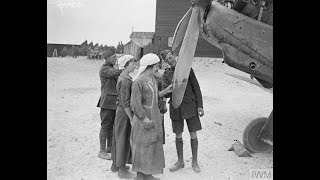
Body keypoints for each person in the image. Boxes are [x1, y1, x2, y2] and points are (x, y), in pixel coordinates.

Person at [160, 50, 204, 173]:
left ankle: (194, 161)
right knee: (178, 134)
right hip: (176, 107)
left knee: (193, 134)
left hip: (191, 105)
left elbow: (196, 87)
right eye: (167, 59)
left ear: (174, 56)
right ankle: (180, 162)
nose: (170, 60)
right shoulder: (166, 75)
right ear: (165, 62)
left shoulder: (187, 69)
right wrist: (169, 89)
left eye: (171, 57)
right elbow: (166, 94)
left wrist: (200, 105)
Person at [130, 53, 173, 180]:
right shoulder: (138, 81)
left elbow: (154, 96)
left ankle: (148, 174)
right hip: (143, 119)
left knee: (152, 146)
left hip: (154, 117)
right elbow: (135, 103)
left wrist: (165, 91)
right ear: (149, 66)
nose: (158, 68)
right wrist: (144, 118)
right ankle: (140, 176)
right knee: (142, 146)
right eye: (156, 66)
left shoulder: (153, 79)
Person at [110, 55, 139, 179]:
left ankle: (115, 165)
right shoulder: (125, 81)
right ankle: (121, 170)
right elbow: (125, 102)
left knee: (118, 137)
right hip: (124, 113)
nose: (135, 65)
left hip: (121, 112)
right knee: (123, 139)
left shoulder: (124, 77)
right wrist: (131, 118)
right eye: (133, 63)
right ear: (126, 65)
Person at [96, 48, 121, 160]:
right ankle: (102, 151)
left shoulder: (111, 68)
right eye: (114, 57)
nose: (116, 59)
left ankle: (109, 147)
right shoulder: (104, 69)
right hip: (106, 102)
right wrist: (125, 67)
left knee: (112, 125)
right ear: (107, 58)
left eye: (116, 56)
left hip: (113, 102)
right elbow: (114, 73)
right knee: (105, 125)